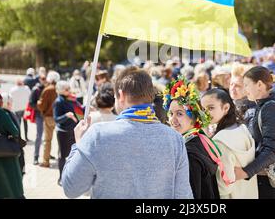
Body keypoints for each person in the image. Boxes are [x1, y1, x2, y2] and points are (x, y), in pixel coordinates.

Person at [61, 67, 193, 199]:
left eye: (115, 97)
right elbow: (183, 196)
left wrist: (78, 144)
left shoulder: (98, 135)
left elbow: (71, 188)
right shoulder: (175, 139)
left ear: (121, 95)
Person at [235, 66, 275, 199]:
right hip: (260, 176)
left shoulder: (271, 107)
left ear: (259, 84)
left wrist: (245, 172)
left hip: (268, 181)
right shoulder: (260, 105)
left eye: (246, 85)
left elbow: (271, 150)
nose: (244, 89)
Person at [165, 76, 220, 199]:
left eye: (179, 114)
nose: (173, 119)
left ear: (194, 118)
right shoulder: (199, 138)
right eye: (171, 113)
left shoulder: (189, 153)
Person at [201, 88, 258, 199]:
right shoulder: (241, 128)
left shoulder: (221, 141)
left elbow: (224, 186)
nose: (205, 113)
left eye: (211, 108)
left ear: (226, 107)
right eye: (203, 109)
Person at [54, 81, 83, 186]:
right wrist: (67, 115)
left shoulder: (71, 99)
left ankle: (71, 176)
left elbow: (79, 109)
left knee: (74, 154)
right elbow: (56, 119)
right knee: (62, 155)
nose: (69, 91)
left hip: (73, 130)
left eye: (69, 88)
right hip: (62, 132)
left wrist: (86, 108)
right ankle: (61, 178)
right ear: (61, 91)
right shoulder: (58, 102)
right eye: (66, 89)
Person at [37, 71, 60, 168]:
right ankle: (61, 159)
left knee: (47, 140)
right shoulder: (60, 88)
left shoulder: (47, 89)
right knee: (60, 141)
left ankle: (46, 161)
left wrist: (38, 103)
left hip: (49, 117)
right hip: (59, 117)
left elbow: (41, 105)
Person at [30, 74, 46, 165]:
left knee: (48, 137)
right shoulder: (35, 89)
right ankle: (35, 157)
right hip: (39, 116)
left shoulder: (47, 88)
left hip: (47, 115)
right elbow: (31, 103)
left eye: (45, 78)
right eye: (43, 78)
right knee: (39, 136)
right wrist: (39, 107)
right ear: (39, 79)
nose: (44, 80)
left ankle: (47, 154)